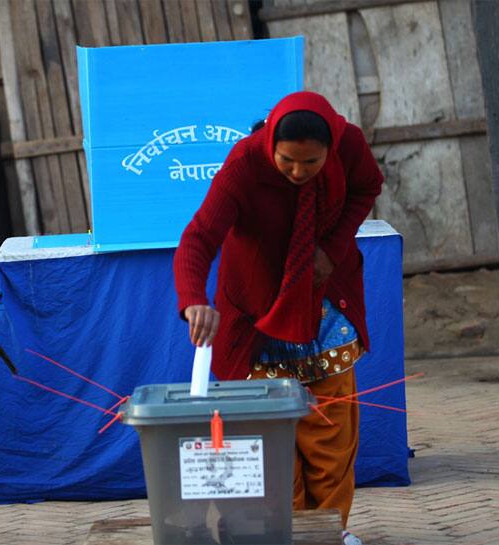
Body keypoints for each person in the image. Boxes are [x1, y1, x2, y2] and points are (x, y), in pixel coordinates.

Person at [174, 91, 383, 545]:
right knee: (271, 443)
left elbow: (367, 187)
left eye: (311, 163)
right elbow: (198, 237)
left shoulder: (350, 145)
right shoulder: (245, 164)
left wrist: (333, 248)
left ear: (331, 149)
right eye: (288, 161)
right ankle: (282, 534)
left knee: (330, 439)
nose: (298, 172)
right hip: (258, 310)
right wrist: (194, 298)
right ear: (270, 144)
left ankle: (329, 533)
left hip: (325, 302)